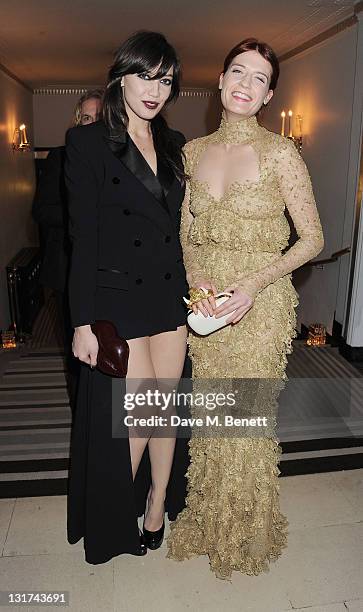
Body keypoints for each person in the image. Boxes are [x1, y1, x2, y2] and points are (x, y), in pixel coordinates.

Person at [167, 37, 324, 579]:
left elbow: (312, 239)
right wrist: (198, 279)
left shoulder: (283, 153)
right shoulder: (190, 151)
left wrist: (254, 283)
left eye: (258, 78)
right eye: (238, 71)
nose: (245, 83)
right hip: (208, 305)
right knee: (213, 418)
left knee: (247, 420)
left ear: (268, 95)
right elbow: (186, 232)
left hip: (260, 305)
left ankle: (245, 528)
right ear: (220, 80)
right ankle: (211, 519)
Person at [65, 31, 190, 563]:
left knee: (165, 411)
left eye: (164, 80)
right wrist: (81, 321)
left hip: (171, 295)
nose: (154, 90)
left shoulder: (175, 143)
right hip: (120, 300)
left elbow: (188, 225)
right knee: (139, 417)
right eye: (145, 75)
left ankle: (158, 503)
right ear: (121, 76)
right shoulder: (88, 143)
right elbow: (83, 237)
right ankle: (117, 519)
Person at [32, 89, 103, 409]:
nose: (92, 124)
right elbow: (42, 211)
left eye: (99, 118)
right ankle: (81, 417)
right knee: (77, 352)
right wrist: (85, 215)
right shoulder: (60, 157)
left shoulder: (121, 158)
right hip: (66, 270)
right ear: (77, 122)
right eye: (86, 118)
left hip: (110, 274)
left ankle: (109, 416)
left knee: (112, 349)